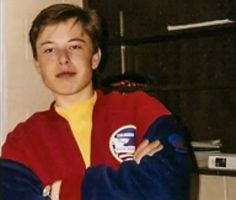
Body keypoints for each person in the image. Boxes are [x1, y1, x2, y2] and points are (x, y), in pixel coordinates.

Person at [0, 3, 192, 200]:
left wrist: (62, 191)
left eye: (75, 46)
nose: (63, 59)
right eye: (49, 50)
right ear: (38, 65)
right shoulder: (22, 141)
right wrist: (128, 178)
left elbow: (167, 190)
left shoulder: (141, 110)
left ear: (95, 58)